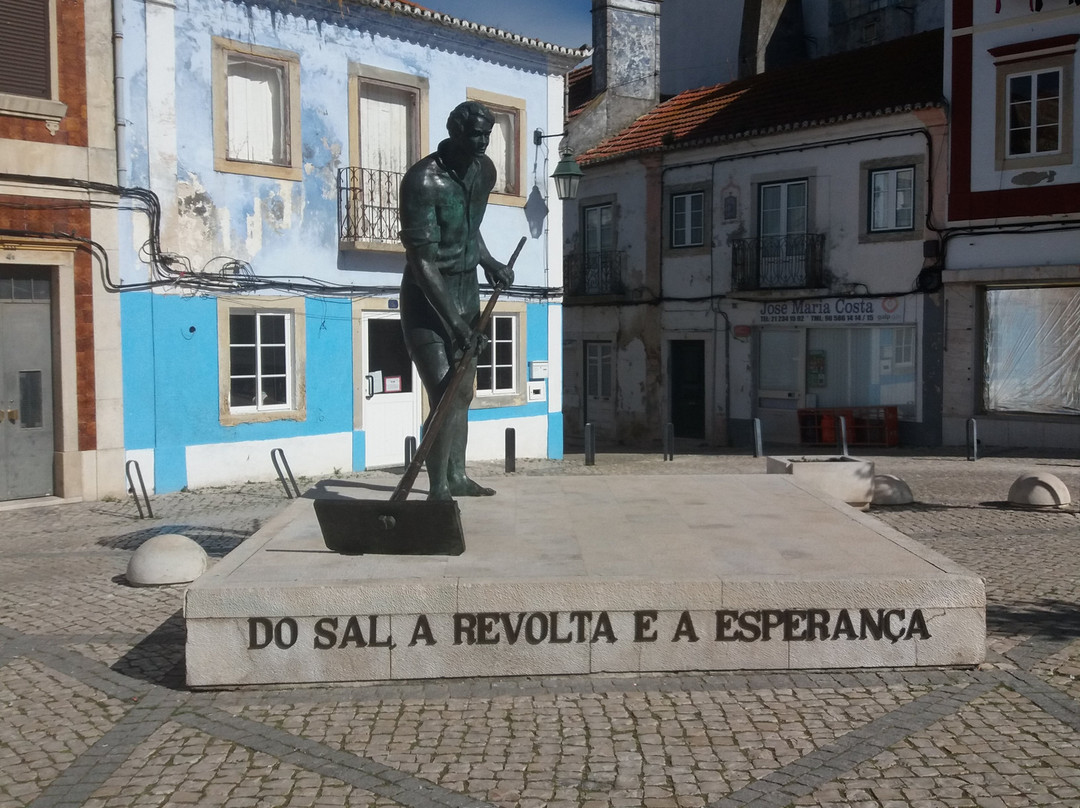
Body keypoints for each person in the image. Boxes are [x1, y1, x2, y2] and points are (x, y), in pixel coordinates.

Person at [398, 100, 514, 501]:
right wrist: (457, 325)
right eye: (475, 134)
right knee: (445, 393)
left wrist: (490, 262)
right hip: (427, 300)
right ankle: (438, 487)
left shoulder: (485, 172)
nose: (482, 142)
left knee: (463, 392)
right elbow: (423, 261)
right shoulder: (422, 181)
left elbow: (469, 229)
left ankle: (458, 476)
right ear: (454, 132)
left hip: (467, 292)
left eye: (487, 134)